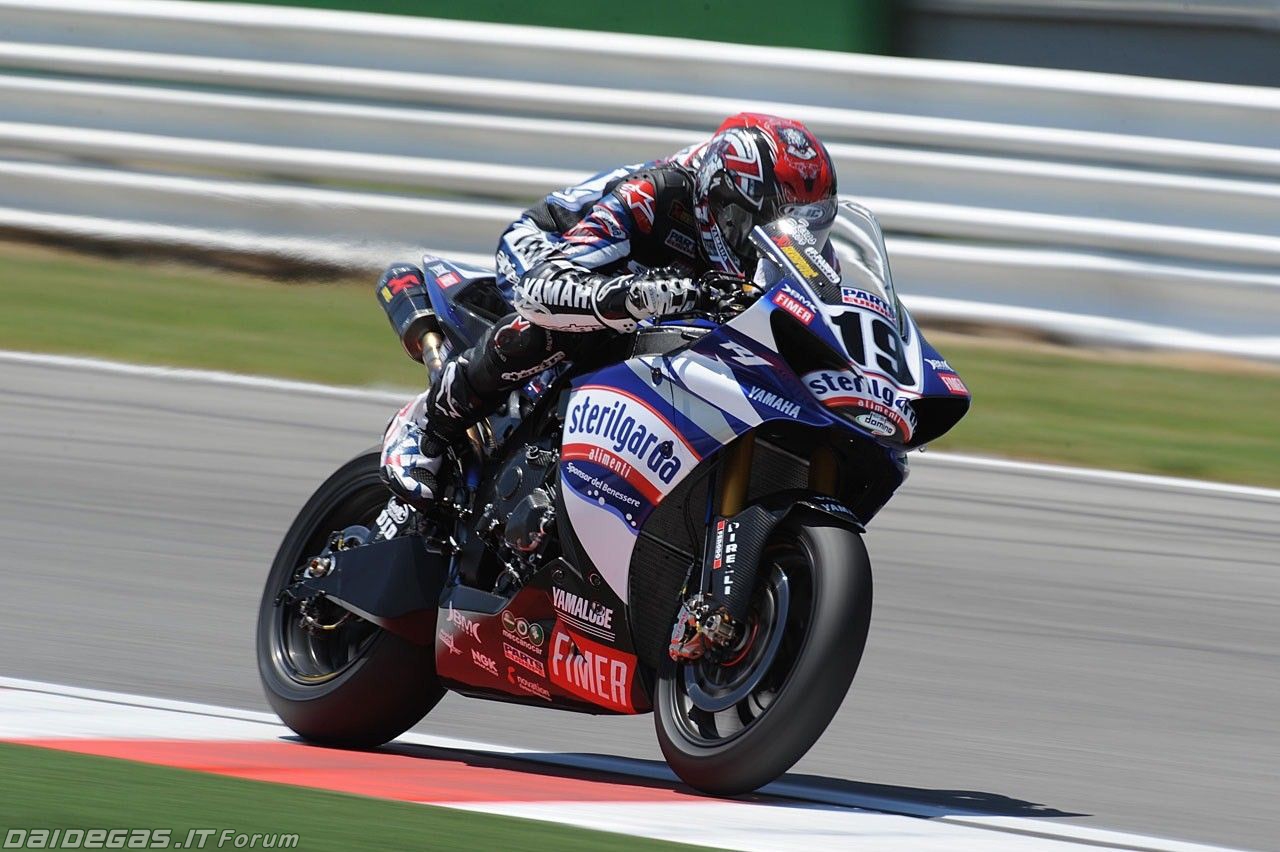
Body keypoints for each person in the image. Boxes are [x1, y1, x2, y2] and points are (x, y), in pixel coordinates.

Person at [379, 112, 838, 507]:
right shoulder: (654, 194)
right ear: (718, 197)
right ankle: (429, 428)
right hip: (552, 252)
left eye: (803, 225)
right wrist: (647, 295)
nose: (767, 239)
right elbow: (541, 288)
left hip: (671, 287)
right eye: (755, 224)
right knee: (572, 323)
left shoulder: (796, 245)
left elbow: (821, 317)